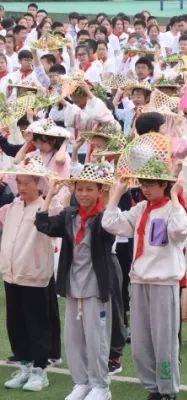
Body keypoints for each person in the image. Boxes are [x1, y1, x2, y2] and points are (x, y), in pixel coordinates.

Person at [101, 159, 187, 400]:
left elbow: (180, 231)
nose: (146, 188)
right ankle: (153, 387)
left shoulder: (173, 209)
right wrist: (116, 194)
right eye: (143, 183)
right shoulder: (141, 209)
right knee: (140, 343)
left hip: (163, 284)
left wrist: (174, 197)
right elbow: (110, 224)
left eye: (151, 184)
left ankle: (167, 390)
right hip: (139, 282)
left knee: (164, 342)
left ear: (164, 184)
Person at [33, 164, 118, 400]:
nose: (83, 194)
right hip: (72, 286)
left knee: (96, 339)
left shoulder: (105, 218)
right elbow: (42, 224)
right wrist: (49, 194)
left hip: (95, 288)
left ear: (100, 191)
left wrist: (111, 198)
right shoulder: (70, 215)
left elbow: (110, 234)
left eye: (89, 189)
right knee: (73, 339)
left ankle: (101, 386)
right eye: (79, 189)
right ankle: (81, 382)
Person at [1, 161, 62, 393]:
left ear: (39, 184)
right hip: (12, 274)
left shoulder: (48, 207)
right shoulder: (12, 208)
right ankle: (25, 366)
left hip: (34, 275)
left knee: (37, 323)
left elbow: (52, 220)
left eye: (26, 183)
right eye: (19, 182)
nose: (21, 187)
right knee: (16, 323)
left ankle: (39, 371)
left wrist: (51, 195)